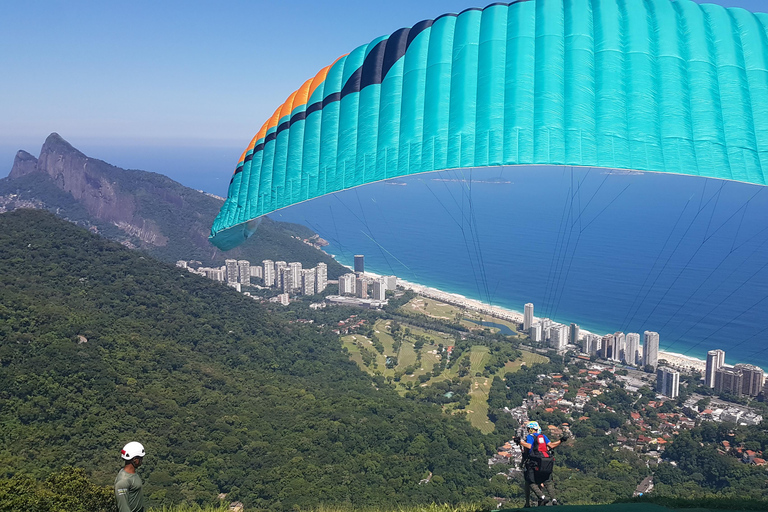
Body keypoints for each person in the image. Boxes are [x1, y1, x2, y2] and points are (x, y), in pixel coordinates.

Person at [519, 421, 567, 506]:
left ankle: (542, 497)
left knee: (530, 481)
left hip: (534, 462)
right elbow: (551, 446)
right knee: (547, 482)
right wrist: (561, 440)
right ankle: (554, 499)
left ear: (531, 429)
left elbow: (529, 447)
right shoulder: (543, 436)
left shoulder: (530, 437)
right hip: (545, 461)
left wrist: (520, 442)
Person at [115, 441, 146, 512]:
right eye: (141, 458)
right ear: (135, 459)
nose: (142, 460)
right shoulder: (123, 481)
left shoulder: (132, 474)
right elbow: (123, 508)